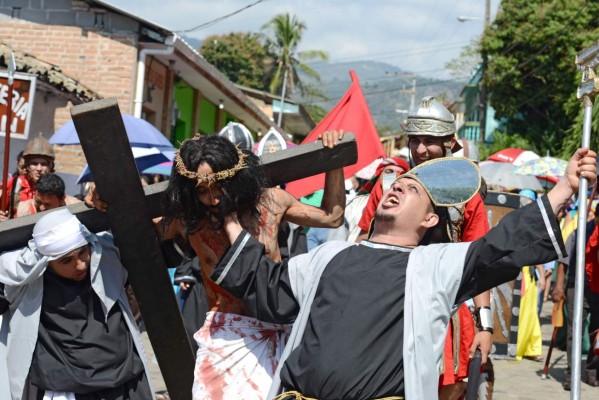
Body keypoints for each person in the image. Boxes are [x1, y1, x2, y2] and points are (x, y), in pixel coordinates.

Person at [213, 148, 596, 399]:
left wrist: (565, 188)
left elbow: (500, 245)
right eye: (396, 185)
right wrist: (227, 218)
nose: (396, 189)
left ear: (430, 217)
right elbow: (268, 289)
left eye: (411, 190)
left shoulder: (434, 265)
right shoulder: (327, 256)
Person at [91, 130, 346, 399]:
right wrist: (104, 199)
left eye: (219, 188)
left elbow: (333, 217)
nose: (213, 199)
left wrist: (335, 160)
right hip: (224, 338)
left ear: (237, 178)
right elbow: (132, 234)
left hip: (278, 329)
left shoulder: (271, 202)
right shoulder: (187, 221)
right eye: (202, 191)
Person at [356, 97, 493, 399]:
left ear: (449, 143)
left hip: (449, 309)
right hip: (392, 305)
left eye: (429, 141)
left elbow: (480, 265)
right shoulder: (388, 184)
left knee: (449, 388)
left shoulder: (467, 195)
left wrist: (486, 326)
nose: (420, 150)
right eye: (414, 140)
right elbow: (362, 247)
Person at [0, 209, 153, 399]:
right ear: (48, 263)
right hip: (67, 388)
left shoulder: (107, 261)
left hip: (127, 382)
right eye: (66, 261)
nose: (80, 265)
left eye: (83, 252)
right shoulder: (24, 287)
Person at [553, 208, 599, 390]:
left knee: (596, 332)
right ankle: (572, 374)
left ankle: (592, 371)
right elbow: (564, 261)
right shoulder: (579, 232)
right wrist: (558, 286)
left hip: (597, 288)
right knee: (575, 331)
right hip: (577, 285)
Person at [1, 134, 55, 220]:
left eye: (43, 164)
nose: (39, 168)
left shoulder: (55, 186)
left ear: (50, 167)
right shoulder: (15, 183)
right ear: (27, 166)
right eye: (34, 163)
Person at [15, 173, 81, 217]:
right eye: (38, 202)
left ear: (61, 199)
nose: (41, 208)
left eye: (47, 204)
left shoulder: (78, 209)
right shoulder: (24, 210)